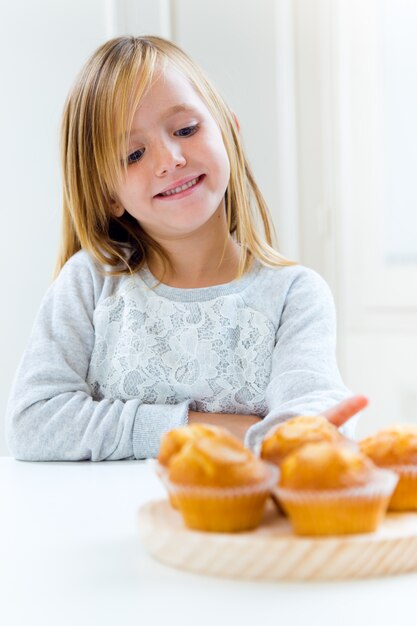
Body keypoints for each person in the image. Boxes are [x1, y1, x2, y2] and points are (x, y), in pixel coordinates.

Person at [5, 36, 367, 462]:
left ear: (228, 132)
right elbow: (34, 422)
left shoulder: (294, 296)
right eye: (134, 154)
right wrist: (205, 430)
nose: (169, 159)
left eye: (185, 130)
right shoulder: (89, 284)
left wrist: (305, 433)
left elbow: (309, 419)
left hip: (235, 528)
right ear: (108, 196)